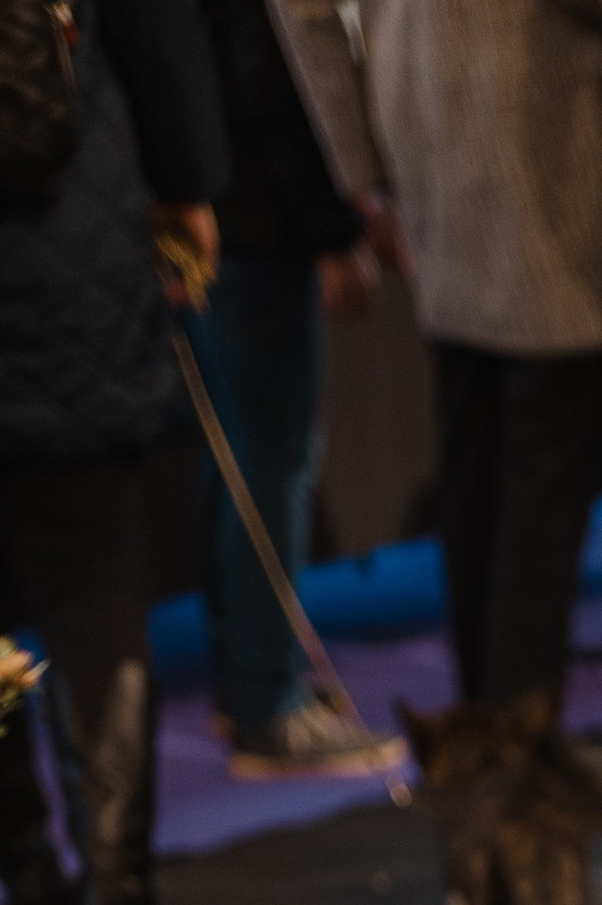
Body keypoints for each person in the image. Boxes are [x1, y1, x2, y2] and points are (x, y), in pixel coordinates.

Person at [274, 0, 602, 792]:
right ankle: (514, 747)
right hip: (558, 152)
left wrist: (365, 167)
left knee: (483, 460)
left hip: (436, 142)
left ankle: (494, 734)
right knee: (535, 479)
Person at [0, 0, 228, 905]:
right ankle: (122, 904)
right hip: (62, 256)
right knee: (96, 599)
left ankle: (28, 866)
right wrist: (188, 190)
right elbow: (165, 51)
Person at [190, 0, 385, 777]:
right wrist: (334, 229)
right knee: (272, 460)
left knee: (236, 461)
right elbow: (276, 83)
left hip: (209, 213)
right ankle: (269, 705)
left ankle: (248, 687)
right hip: (257, 225)